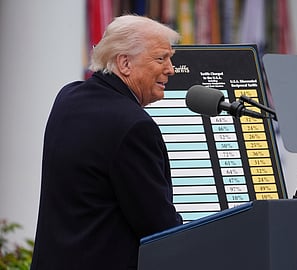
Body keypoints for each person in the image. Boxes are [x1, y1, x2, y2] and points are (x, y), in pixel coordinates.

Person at [31, 15, 183, 269]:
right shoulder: (135, 126)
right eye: (160, 58)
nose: (171, 69)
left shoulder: (68, 97)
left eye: (170, 58)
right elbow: (160, 228)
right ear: (124, 63)